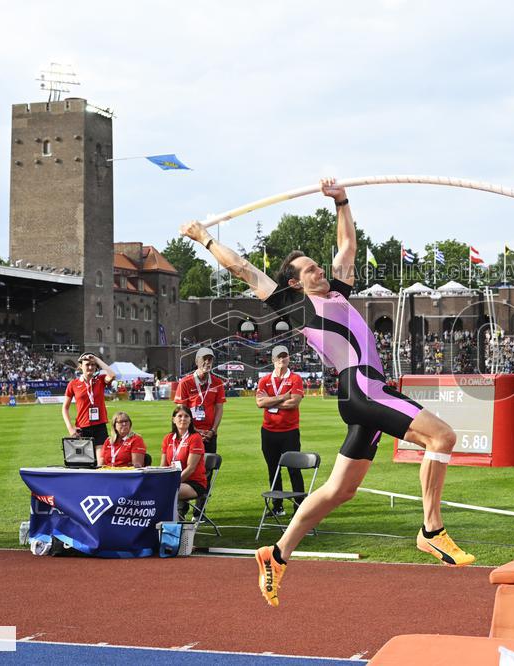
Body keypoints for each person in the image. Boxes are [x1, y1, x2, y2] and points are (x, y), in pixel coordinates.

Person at [182, 177, 474, 608]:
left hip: (363, 393)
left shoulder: (337, 290)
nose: (319, 270)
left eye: (318, 266)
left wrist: (341, 201)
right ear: (295, 283)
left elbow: (347, 246)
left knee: (340, 491)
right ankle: (431, 532)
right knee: (442, 437)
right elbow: (242, 269)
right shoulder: (293, 304)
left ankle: (276, 554)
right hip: (362, 385)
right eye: (310, 269)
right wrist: (203, 238)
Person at [255, 345, 305, 517]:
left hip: (289, 431)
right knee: (273, 469)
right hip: (268, 431)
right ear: (273, 360)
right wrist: (283, 397)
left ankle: (299, 507)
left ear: (289, 359)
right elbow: (259, 403)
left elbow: (294, 403)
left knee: (294, 469)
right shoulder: (264, 380)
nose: (282, 360)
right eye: (279, 357)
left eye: (285, 357)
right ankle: (277, 506)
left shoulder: (295, 379)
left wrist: (271, 401)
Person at [62, 352, 116, 455]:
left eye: (93, 364)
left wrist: (96, 359)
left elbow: (112, 375)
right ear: (81, 366)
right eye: (87, 364)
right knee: (85, 461)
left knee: (101, 461)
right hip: (82, 428)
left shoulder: (100, 380)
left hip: (100, 426)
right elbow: (65, 408)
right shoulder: (73, 384)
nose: (90, 367)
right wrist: (70, 428)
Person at [173, 347, 225, 454]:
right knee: (189, 466)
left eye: (210, 359)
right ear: (197, 361)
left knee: (208, 467)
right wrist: (194, 430)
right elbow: (181, 411)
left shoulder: (217, 383)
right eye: (204, 359)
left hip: (210, 434)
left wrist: (213, 431)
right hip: (190, 432)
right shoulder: (185, 382)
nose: (207, 362)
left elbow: (219, 409)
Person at [160, 405, 208, 502]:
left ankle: (171, 517)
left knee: (165, 491)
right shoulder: (168, 438)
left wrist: (173, 482)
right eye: (180, 416)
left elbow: (191, 468)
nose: (183, 419)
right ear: (173, 419)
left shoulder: (195, 438)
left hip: (194, 482)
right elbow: (163, 466)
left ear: (190, 420)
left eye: (186, 416)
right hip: (173, 480)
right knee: (151, 488)